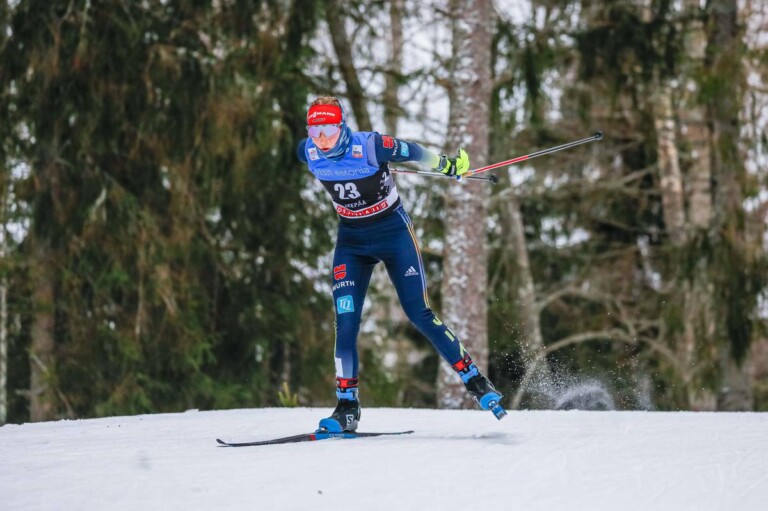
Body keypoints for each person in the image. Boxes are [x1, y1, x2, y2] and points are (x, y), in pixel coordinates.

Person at [296, 96, 504, 433]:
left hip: (393, 233)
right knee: (345, 322)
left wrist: (448, 165)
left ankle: (476, 381)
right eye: (314, 130)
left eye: (328, 129)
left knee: (417, 311)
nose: (321, 139)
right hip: (352, 241)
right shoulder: (306, 151)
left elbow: (414, 152)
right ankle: (346, 407)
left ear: (341, 126)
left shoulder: (372, 146)